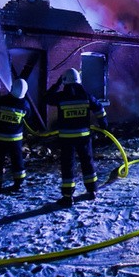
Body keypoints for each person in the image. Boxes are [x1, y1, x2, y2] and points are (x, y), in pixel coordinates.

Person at [45, 68, 108, 207]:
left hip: (67, 139)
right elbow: (99, 108)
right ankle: (92, 191)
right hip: (84, 137)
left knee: (68, 166)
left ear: (65, 81)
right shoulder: (86, 95)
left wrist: (57, 84)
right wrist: (103, 124)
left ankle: (68, 197)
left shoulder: (61, 96)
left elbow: (47, 98)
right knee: (87, 162)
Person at [0, 78, 36, 193]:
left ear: (12, 87)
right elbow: (28, 116)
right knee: (17, 161)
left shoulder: (2, 101)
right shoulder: (25, 105)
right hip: (15, 139)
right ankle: (18, 183)